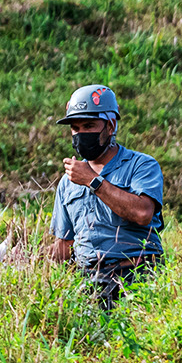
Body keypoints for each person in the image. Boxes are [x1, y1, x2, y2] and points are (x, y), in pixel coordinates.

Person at [47, 84, 163, 309]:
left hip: (137, 276)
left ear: (110, 126)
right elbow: (65, 245)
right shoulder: (67, 182)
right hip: (89, 282)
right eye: (75, 128)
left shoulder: (141, 166)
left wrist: (93, 180)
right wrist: (28, 258)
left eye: (89, 125)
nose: (81, 134)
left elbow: (143, 213)